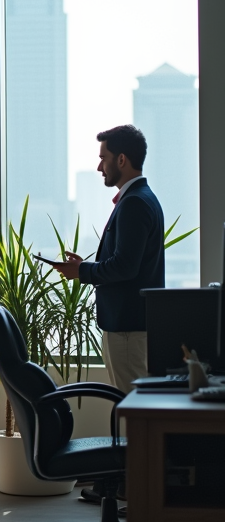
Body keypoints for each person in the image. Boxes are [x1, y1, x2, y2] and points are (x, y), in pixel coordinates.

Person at [51, 125, 164, 392]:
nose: (100, 167)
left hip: (127, 329)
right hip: (131, 327)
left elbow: (125, 266)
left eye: (103, 158)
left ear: (121, 159)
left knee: (134, 411)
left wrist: (82, 271)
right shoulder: (142, 199)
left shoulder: (134, 203)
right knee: (136, 410)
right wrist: (83, 267)